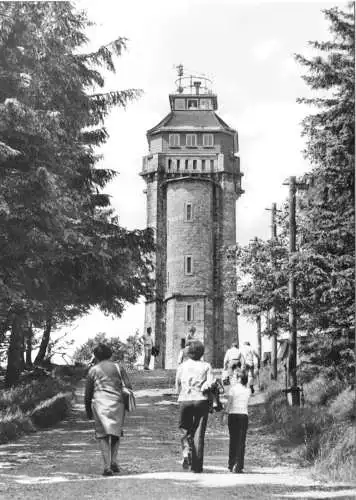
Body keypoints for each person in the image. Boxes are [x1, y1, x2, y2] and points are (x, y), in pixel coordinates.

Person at [84, 343, 133, 476]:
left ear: (95, 356)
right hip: (117, 403)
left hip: (99, 405)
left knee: (102, 435)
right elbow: (128, 386)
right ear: (110, 354)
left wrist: (88, 410)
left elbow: (88, 393)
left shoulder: (93, 370)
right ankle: (114, 461)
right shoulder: (118, 367)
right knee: (116, 434)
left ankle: (107, 466)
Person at [175, 340, 214, 473]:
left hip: (185, 399)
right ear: (201, 352)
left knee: (185, 429)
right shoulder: (206, 366)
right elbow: (210, 384)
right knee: (199, 433)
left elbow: (177, 386)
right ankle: (197, 466)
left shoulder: (182, 366)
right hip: (201, 400)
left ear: (189, 353)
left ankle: (186, 452)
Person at [224, 368, 250, 473]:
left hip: (233, 415)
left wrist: (225, 414)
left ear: (239, 378)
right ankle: (239, 465)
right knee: (241, 441)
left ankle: (231, 464)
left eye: (235, 376)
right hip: (243, 415)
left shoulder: (233, 389)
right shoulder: (247, 390)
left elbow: (229, 403)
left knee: (233, 440)